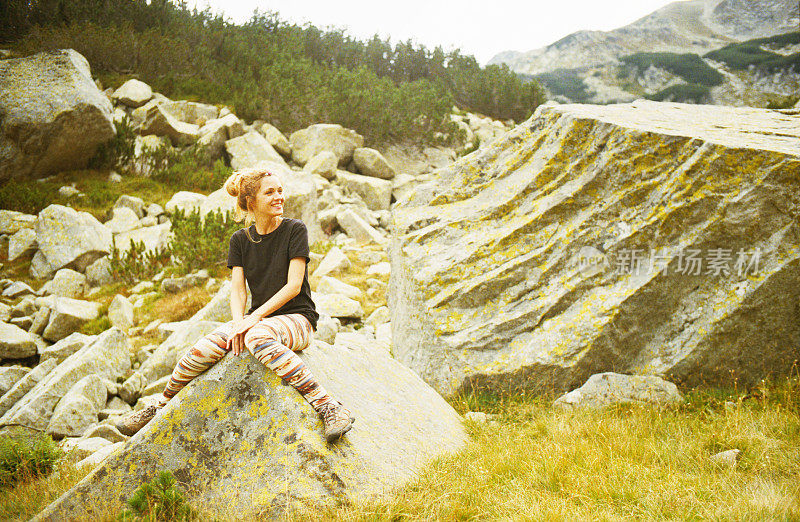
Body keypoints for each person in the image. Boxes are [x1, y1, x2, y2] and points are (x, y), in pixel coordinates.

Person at [115, 167, 355, 442]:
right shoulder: (240, 240)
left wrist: (252, 321)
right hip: (259, 321)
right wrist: (238, 323)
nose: (279, 197)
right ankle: (158, 406)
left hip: (298, 319)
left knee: (257, 336)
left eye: (280, 191)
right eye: (270, 192)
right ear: (250, 202)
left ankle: (328, 406)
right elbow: (238, 290)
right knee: (199, 350)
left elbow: (293, 286)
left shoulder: (294, 229)